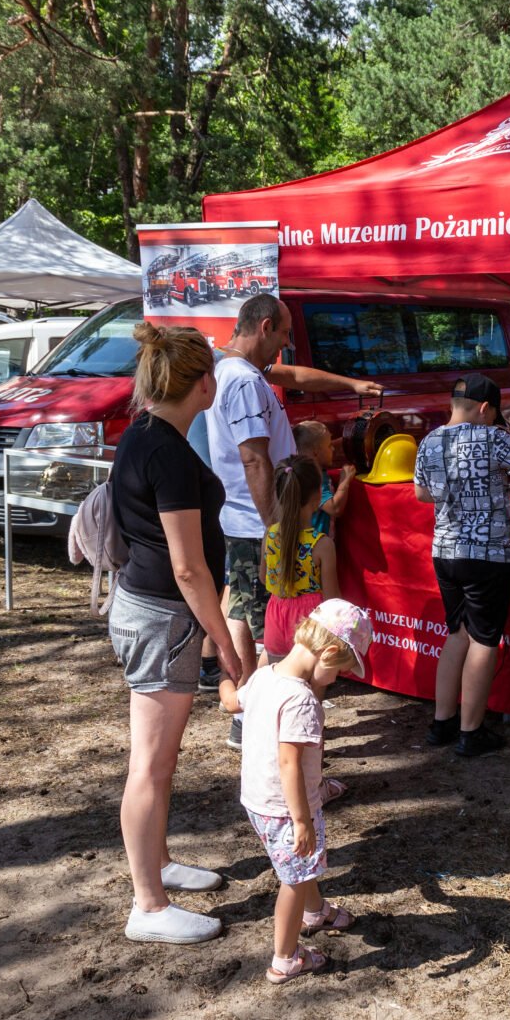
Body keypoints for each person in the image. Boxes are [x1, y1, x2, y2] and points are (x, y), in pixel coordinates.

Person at [106, 323, 242, 944]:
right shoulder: (164, 450)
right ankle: (148, 905)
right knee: (151, 765)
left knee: (160, 763)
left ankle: (157, 866)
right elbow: (189, 567)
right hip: (163, 617)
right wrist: (228, 645)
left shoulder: (146, 435)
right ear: (203, 382)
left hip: (153, 611)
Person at [205, 296, 380, 746]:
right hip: (254, 520)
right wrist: (278, 526)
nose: (286, 344)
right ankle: (247, 711)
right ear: (264, 327)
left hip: (256, 519)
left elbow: (296, 375)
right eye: (284, 333)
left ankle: (257, 705)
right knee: (252, 615)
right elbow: (254, 458)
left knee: (250, 609)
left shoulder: (240, 370)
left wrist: (351, 384)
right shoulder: (242, 381)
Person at [219, 600, 373, 985]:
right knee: (293, 879)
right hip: (287, 808)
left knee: (301, 866)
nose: (337, 678)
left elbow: (231, 702)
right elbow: (289, 763)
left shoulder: (265, 675)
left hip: (258, 800)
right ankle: (286, 958)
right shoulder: (303, 700)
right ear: (330, 651)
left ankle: (316, 911)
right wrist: (302, 819)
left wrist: (223, 679)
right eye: (340, 670)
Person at [414, 373, 510, 756]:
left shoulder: (429, 439)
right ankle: (471, 731)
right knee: (485, 640)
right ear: (486, 408)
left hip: (445, 551)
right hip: (486, 553)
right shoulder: (492, 437)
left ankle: (442, 723)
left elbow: (422, 493)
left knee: (456, 633)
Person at [263, 455, 341, 660]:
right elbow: (332, 599)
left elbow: (264, 578)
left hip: (275, 616)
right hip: (310, 623)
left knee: (279, 680)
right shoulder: (322, 544)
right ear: (317, 497)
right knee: (311, 687)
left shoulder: (270, 534)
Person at [293, 420, 355, 539]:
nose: (333, 449)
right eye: (329, 445)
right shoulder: (312, 478)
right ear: (315, 452)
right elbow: (334, 508)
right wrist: (345, 481)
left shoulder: (311, 473)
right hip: (314, 547)